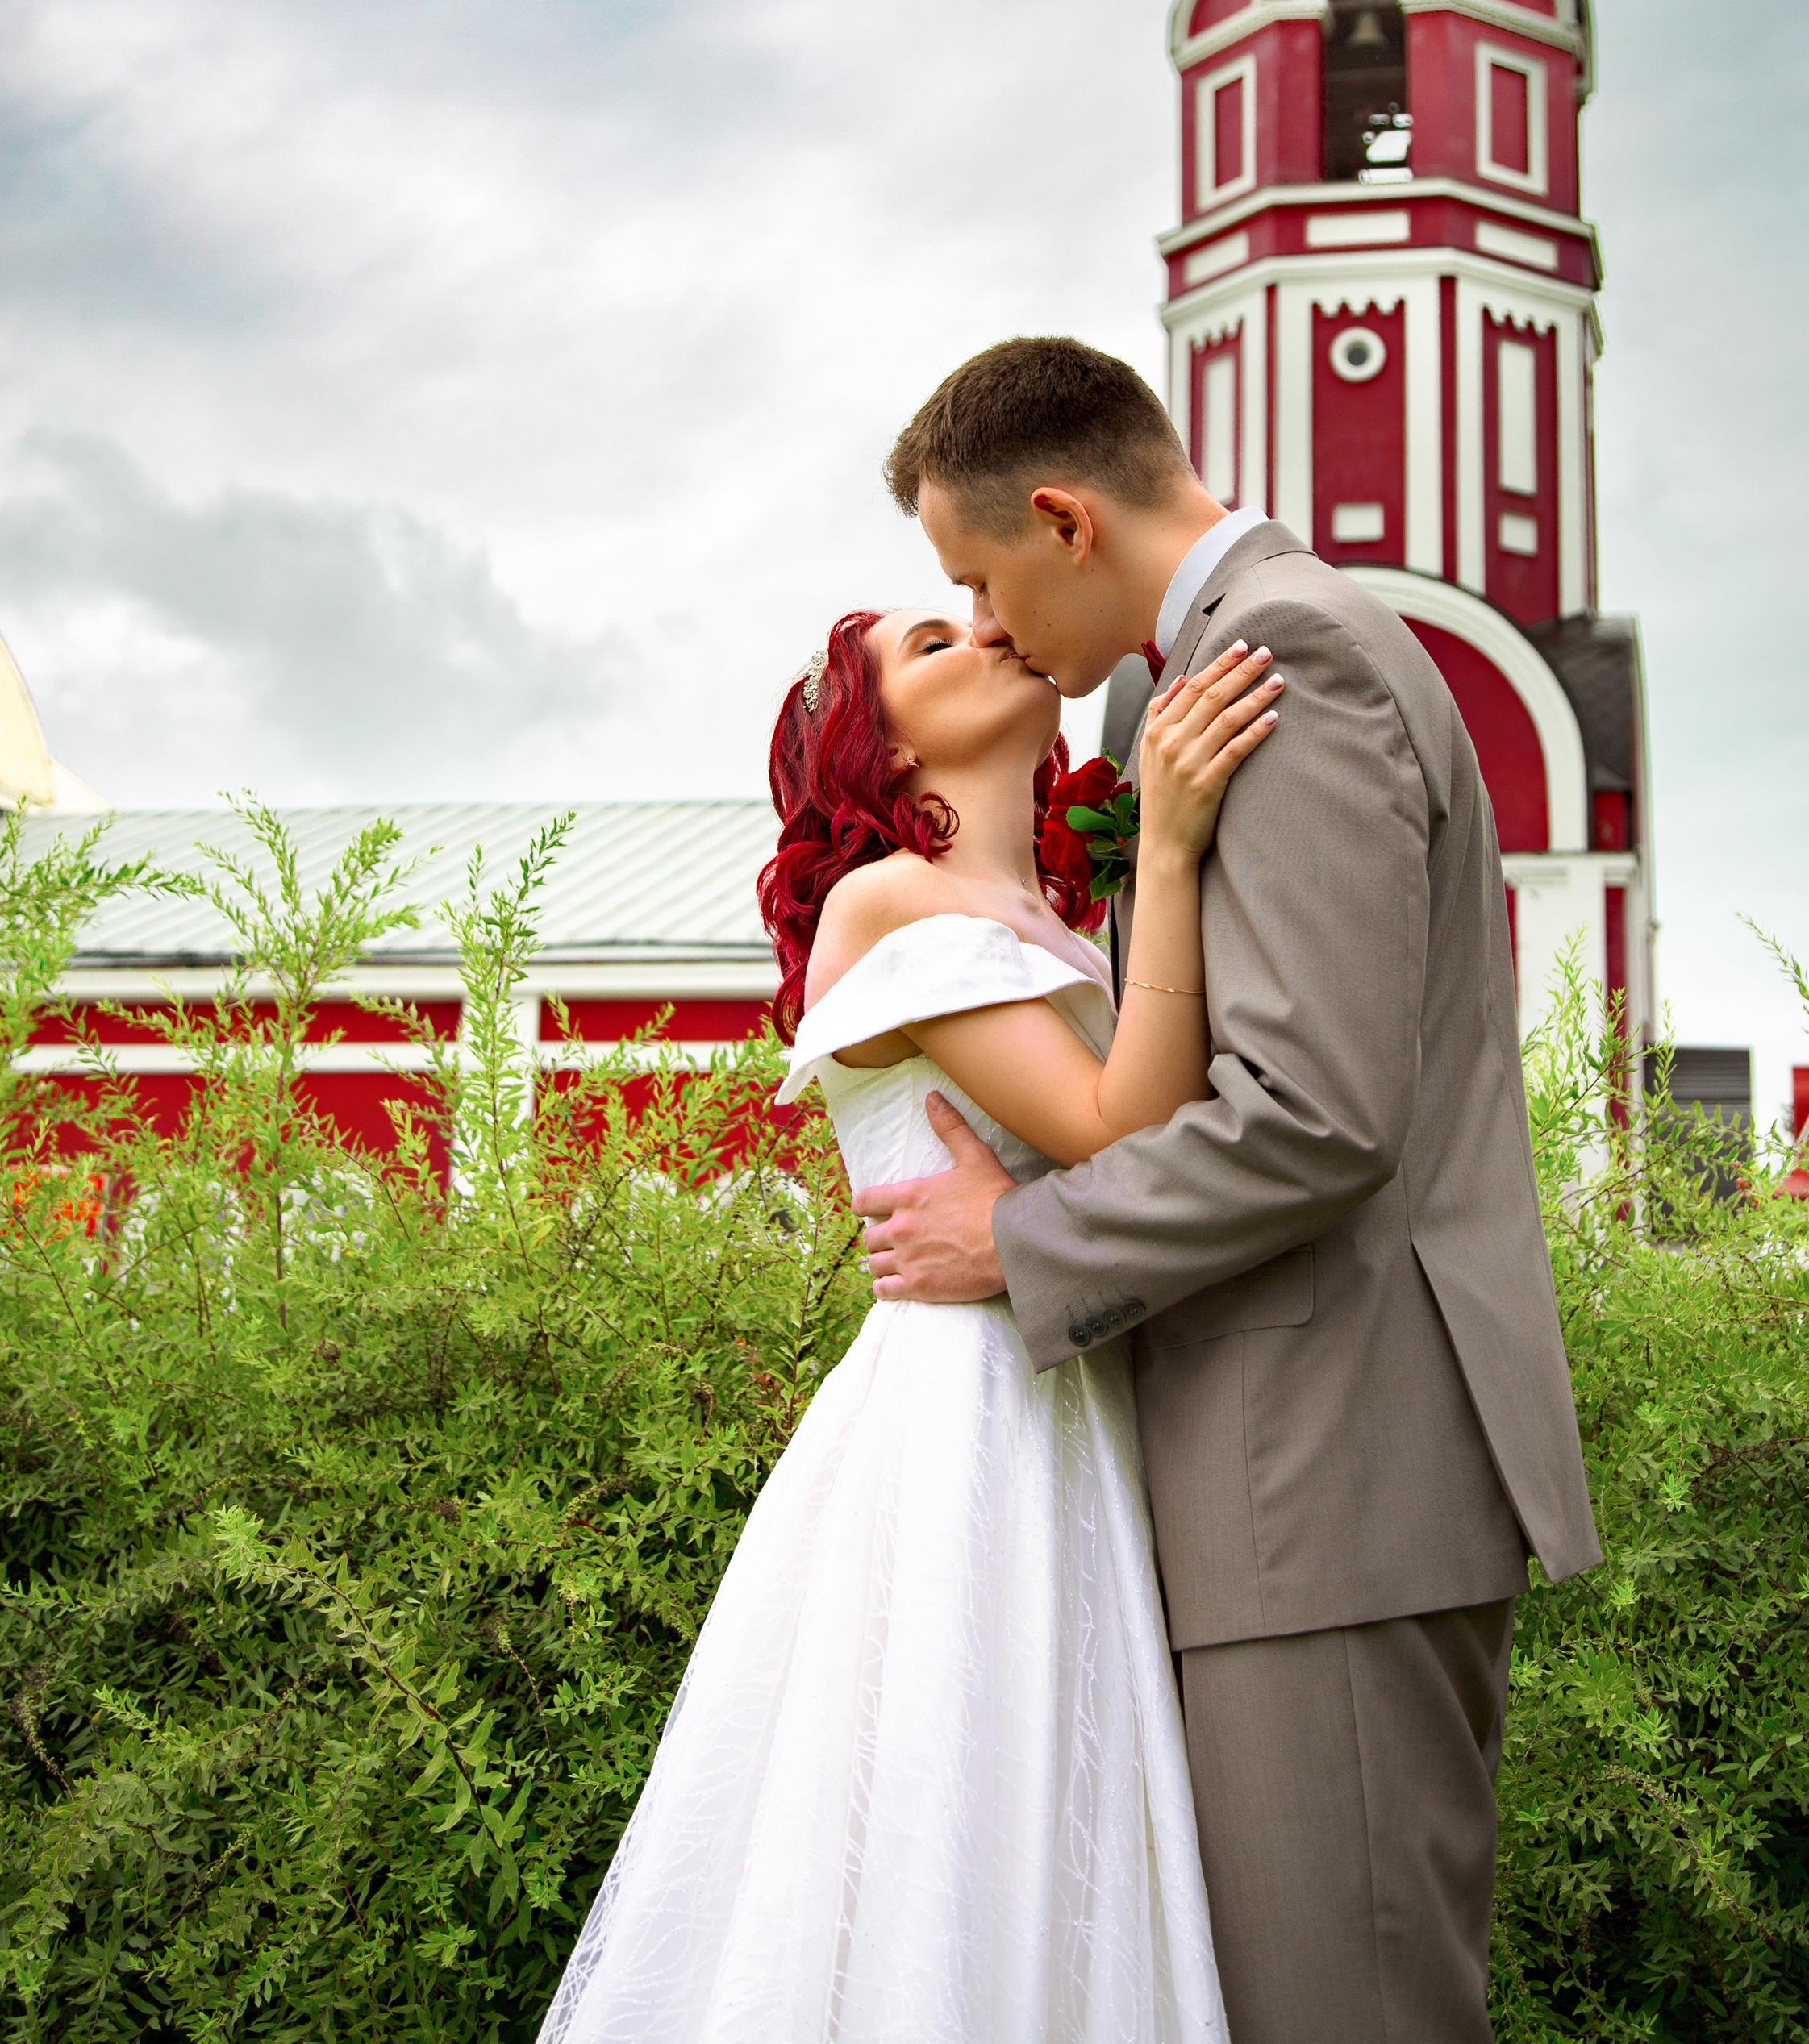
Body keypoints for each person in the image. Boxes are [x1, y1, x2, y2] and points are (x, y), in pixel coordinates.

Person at [858, 335, 1603, 2044]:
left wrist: (1016, 1239)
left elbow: (1320, 1112)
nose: (984, 627)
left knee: (1342, 2015)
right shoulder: (1186, 675)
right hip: (1278, 1474)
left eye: (976, 579)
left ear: (1059, 518)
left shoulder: (1288, 649)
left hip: (1325, 1469)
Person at [534, 596, 1281, 2044]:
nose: (988, 634)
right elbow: (1127, 1122)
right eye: (933, 649)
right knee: (945, 1822)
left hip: (1082, 1413)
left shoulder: (1063, 920)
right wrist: (1178, 843)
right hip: (963, 1429)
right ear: (880, 752)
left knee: (1062, 1823)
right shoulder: (885, 902)